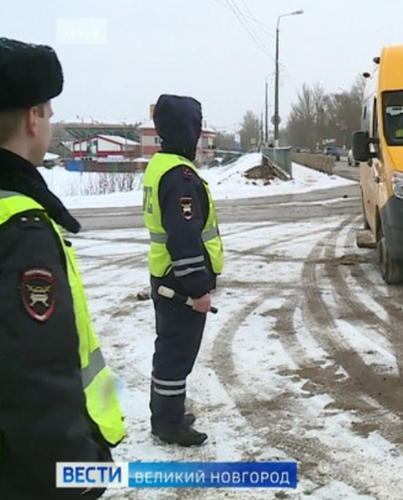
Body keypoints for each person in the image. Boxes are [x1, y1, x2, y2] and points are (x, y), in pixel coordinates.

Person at [0, 37, 126, 499]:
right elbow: (35, 383)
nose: (49, 125)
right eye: (49, 114)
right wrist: (76, 476)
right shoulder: (20, 227)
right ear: (33, 118)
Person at [143, 94, 223, 446]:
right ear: (187, 130)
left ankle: (166, 413)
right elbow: (184, 237)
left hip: (165, 275)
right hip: (179, 281)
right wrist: (198, 288)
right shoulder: (180, 176)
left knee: (170, 350)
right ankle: (169, 423)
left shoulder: (160, 165)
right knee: (177, 354)